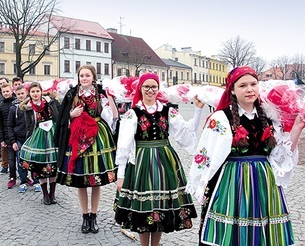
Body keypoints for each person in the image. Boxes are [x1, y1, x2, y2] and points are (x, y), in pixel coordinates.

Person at [186, 66, 305, 246]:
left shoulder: (269, 116)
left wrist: (297, 128)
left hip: (265, 183)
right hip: (233, 182)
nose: (249, 89)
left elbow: (281, 154)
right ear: (232, 90)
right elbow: (206, 156)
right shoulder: (220, 118)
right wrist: (203, 187)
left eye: (253, 84)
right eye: (242, 85)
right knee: (233, 236)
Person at [113, 72, 203, 246]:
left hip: (165, 162)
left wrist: (198, 109)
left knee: (161, 206)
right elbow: (124, 145)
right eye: (146, 86)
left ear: (158, 88)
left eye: (153, 86)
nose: (150, 90)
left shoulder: (167, 110)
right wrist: (121, 174)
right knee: (144, 208)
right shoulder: (134, 113)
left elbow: (186, 131)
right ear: (140, 88)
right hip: (142, 163)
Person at [54, 64, 119, 233]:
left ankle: (94, 215)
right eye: (81, 75)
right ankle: (85, 216)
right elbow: (61, 117)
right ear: (78, 78)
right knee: (81, 181)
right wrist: (71, 114)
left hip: (97, 136)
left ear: (93, 77)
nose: (84, 78)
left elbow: (113, 116)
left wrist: (111, 97)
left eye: (87, 75)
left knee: (96, 180)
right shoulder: (72, 94)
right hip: (77, 136)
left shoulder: (100, 93)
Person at [19, 82, 60, 204]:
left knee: (52, 164)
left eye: (37, 91)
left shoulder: (50, 102)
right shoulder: (28, 107)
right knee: (39, 165)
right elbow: (28, 125)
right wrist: (29, 138)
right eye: (33, 92)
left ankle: (52, 193)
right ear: (29, 94)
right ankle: (45, 194)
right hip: (37, 136)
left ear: (41, 92)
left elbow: (57, 116)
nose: (35, 94)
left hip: (51, 134)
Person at [7, 85, 35, 193]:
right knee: (21, 161)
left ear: (27, 93)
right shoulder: (13, 108)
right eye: (18, 94)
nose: (21, 96)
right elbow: (9, 125)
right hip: (19, 138)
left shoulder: (32, 106)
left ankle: (36, 180)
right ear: (16, 95)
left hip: (32, 138)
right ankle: (23, 181)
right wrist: (13, 141)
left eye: (22, 93)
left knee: (33, 160)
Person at [0, 83, 17, 186]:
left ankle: (24, 176)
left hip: (18, 134)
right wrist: (2, 139)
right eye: (3, 92)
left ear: (12, 91)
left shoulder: (17, 102)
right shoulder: (0, 105)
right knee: (11, 159)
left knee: (21, 159)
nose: (6, 93)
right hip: (7, 134)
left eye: (7, 91)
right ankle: (12, 177)